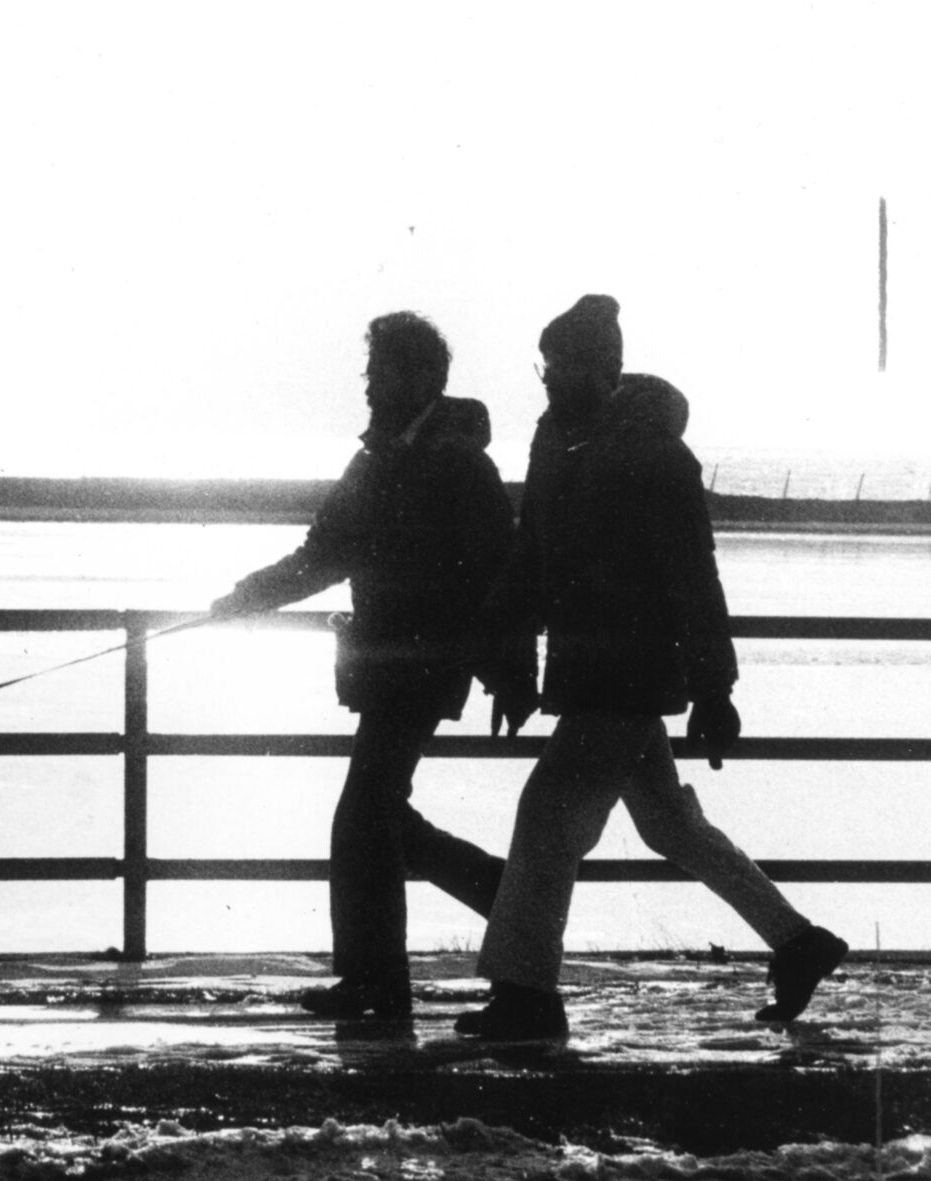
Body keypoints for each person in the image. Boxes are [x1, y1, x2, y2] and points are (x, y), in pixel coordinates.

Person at [456, 295, 848, 1041]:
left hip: (627, 675)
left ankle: (528, 995)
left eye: (565, 366)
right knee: (671, 825)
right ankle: (798, 942)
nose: (552, 380)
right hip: (596, 672)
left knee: (546, 817)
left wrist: (715, 688)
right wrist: (507, 664)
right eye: (547, 366)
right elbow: (531, 563)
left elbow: (692, 578)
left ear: (607, 368)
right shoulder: (557, 446)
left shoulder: (656, 457)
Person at [210, 311, 514, 1019]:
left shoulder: (458, 462)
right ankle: (507, 903)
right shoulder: (378, 456)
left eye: (382, 371)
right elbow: (323, 553)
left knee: (363, 817)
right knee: (379, 819)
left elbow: (503, 571)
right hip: (386, 664)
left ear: (421, 378)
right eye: (371, 371)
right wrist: (244, 597)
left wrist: (508, 668)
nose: (370, 385)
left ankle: (379, 980)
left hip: (425, 665)